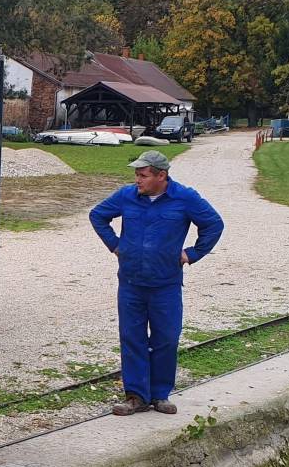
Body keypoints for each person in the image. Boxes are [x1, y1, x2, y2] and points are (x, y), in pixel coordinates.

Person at [89, 151, 223, 416]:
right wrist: (115, 245)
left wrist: (192, 254)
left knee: (167, 338)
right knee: (132, 338)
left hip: (166, 284)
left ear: (161, 176)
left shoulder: (185, 198)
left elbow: (214, 224)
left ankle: (160, 394)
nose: (137, 180)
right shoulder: (127, 196)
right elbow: (98, 215)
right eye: (136, 175)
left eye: (143, 175)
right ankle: (136, 396)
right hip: (131, 282)